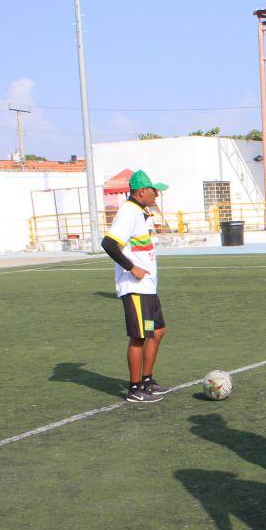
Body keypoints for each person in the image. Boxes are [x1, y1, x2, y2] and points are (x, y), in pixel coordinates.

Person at [100, 170, 170, 402]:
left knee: (156, 331)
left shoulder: (139, 212)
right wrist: (132, 268)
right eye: (153, 190)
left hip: (147, 289)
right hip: (136, 289)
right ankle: (134, 389)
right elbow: (108, 244)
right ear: (141, 192)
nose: (157, 194)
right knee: (139, 337)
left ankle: (147, 381)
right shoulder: (129, 212)